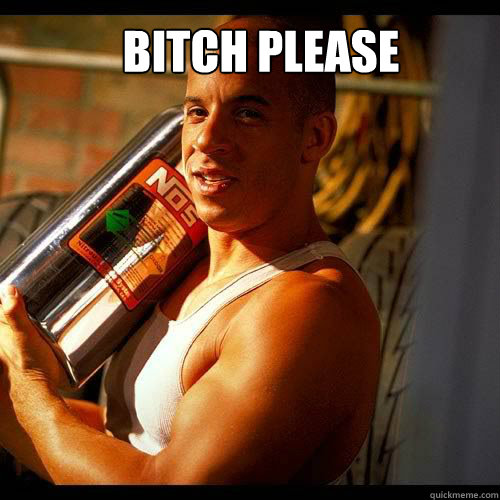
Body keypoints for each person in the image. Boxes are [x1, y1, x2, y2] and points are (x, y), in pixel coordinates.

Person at [0, 15, 380, 485]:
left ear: (315, 137)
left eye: (247, 113)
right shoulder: (191, 265)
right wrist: (12, 392)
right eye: (197, 112)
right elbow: (131, 440)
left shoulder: (307, 307)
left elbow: (165, 481)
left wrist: (25, 395)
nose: (206, 139)